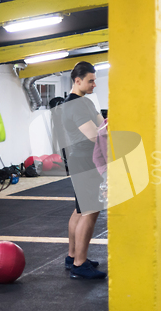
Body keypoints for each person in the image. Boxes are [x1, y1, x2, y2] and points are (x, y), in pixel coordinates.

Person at [52, 61, 106, 279]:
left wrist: (104, 126)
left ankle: (73, 256)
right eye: (90, 81)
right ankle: (79, 263)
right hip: (85, 160)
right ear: (77, 80)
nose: (94, 84)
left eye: (95, 80)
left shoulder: (85, 102)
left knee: (80, 209)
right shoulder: (76, 105)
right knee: (90, 210)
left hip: (81, 159)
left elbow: (102, 124)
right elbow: (96, 134)